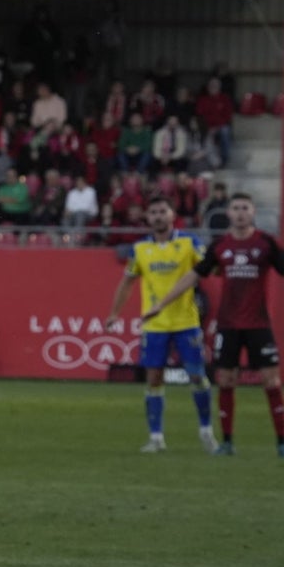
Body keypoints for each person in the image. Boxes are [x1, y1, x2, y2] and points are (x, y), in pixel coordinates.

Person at [143, 194, 284, 457]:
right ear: (228, 214)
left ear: (253, 212)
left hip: (258, 324)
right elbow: (193, 275)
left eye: (245, 208)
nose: (240, 213)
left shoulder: (265, 243)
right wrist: (161, 304)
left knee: (271, 381)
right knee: (226, 381)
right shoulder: (220, 246)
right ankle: (228, 442)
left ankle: (281, 441)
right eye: (236, 208)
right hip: (228, 324)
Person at [104, 196, 217, 453]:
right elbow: (127, 282)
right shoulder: (140, 249)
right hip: (154, 325)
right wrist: (114, 313)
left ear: (172, 214)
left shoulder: (189, 242)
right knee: (154, 378)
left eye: (162, 211)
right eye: (153, 212)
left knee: (198, 376)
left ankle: (206, 432)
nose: (157, 216)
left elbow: (207, 266)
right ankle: (156, 437)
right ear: (147, 217)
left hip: (186, 321)